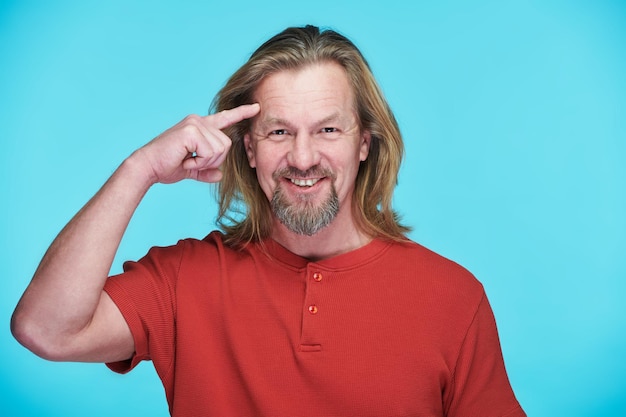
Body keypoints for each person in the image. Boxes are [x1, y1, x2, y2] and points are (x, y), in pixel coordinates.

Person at [11, 25, 525, 416]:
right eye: (279, 133)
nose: (303, 158)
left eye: (327, 129)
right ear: (248, 149)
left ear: (364, 143)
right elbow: (46, 330)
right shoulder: (184, 280)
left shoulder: (453, 297)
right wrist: (138, 169)